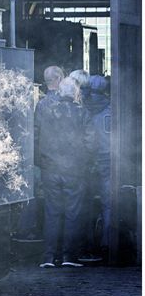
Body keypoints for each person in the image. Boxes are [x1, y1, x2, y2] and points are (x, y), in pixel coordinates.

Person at [36, 77, 92, 267]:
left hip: (50, 168)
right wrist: (85, 162)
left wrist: (42, 161)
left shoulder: (47, 111)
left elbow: (37, 137)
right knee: (72, 213)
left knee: (52, 212)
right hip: (74, 170)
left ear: (60, 92)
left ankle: (49, 257)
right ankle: (69, 256)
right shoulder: (82, 113)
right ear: (75, 93)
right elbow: (90, 141)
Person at [17, 65, 65, 242]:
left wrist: (38, 157)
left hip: (45, 160)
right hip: (65, 162)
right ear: (59, 78)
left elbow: (35, 134)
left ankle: (49, 250)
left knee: (48, 202)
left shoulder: (41, 104)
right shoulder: (66, 103)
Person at [83, 76, 111, 262]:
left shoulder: (83, 109)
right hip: (108, 160)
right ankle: (107, 243)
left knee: (83, 204)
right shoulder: (112, 110)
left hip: (88, 162)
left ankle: (86, 245)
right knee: (108, 203)